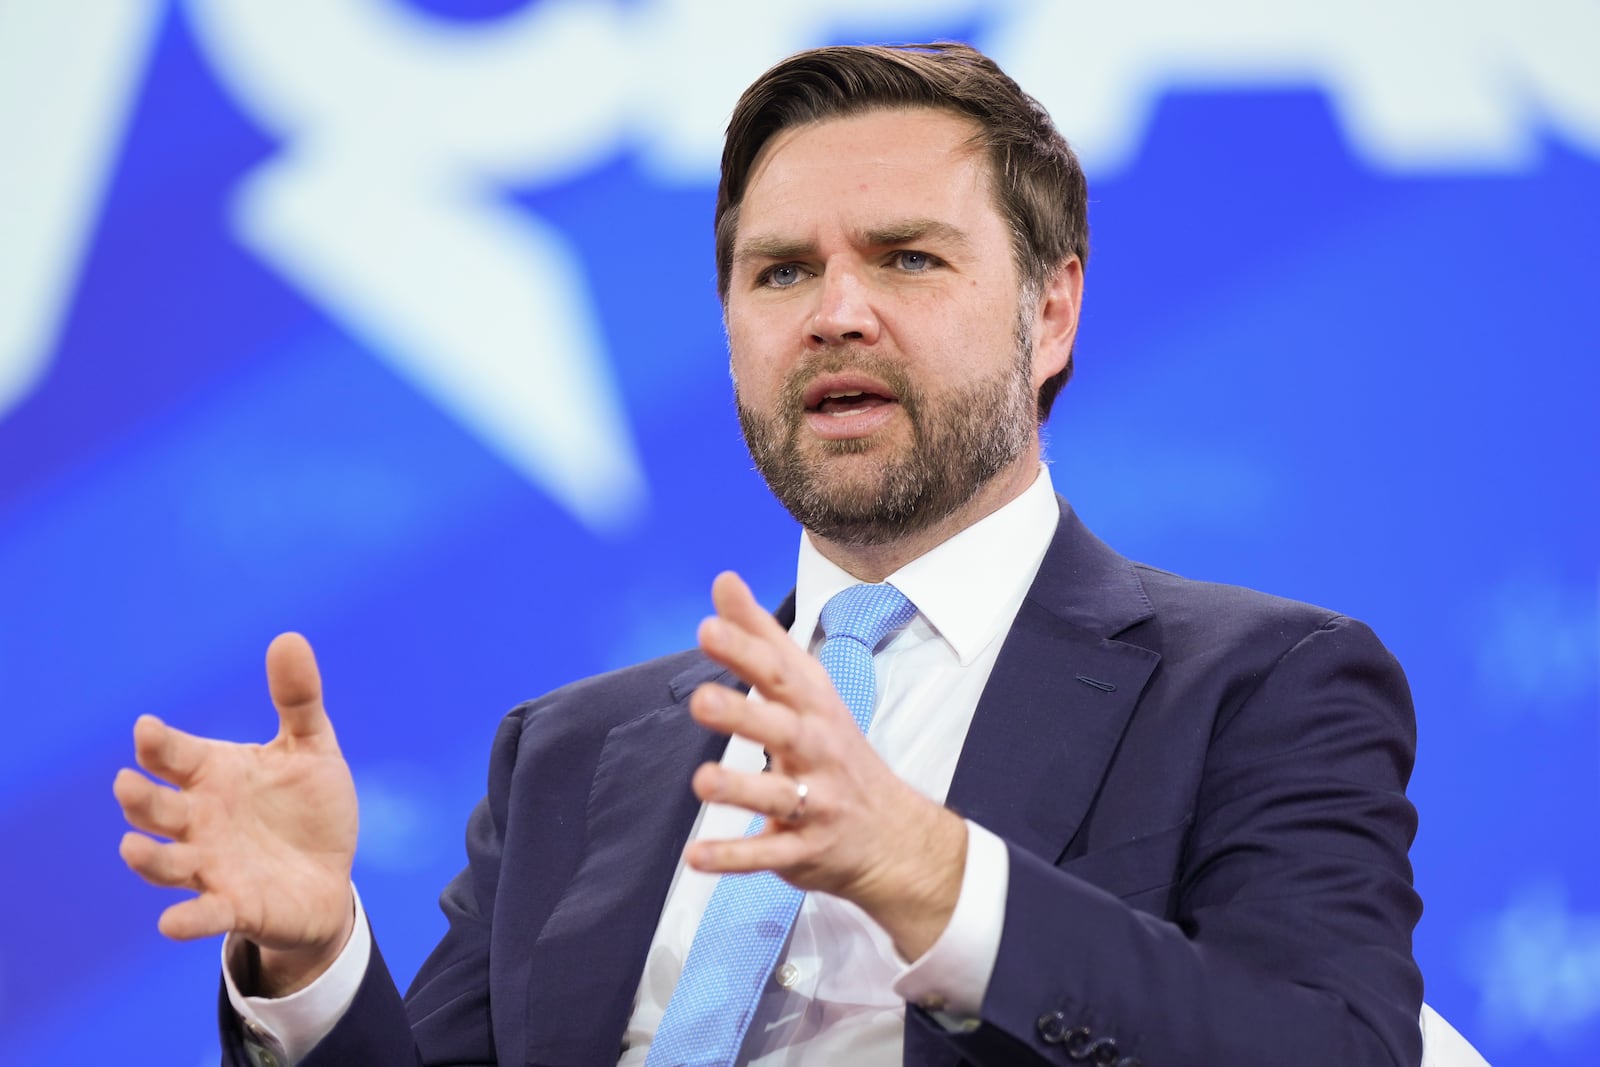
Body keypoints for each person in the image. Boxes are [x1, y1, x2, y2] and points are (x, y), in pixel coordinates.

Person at [115, 42, 1424, 1067]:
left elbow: (1332, 1050)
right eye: (781, 272)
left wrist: (930, 875)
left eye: (909, 258)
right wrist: (313, 959)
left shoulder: (1262, 686)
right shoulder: (570, 753)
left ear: (1053, 313)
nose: (835, 313)